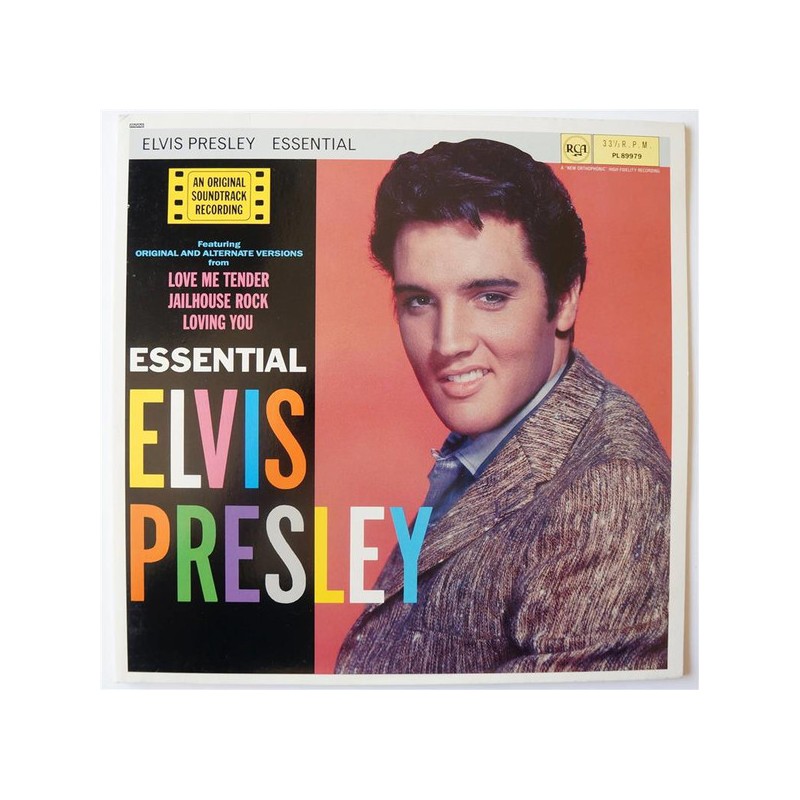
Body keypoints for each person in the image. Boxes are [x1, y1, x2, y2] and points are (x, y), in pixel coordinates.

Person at [335, 139, 670, 674]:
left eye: (490, 297)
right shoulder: (491, 440)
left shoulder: (608, 492)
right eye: (419, 301)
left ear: (565, 299)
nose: (448, 343)